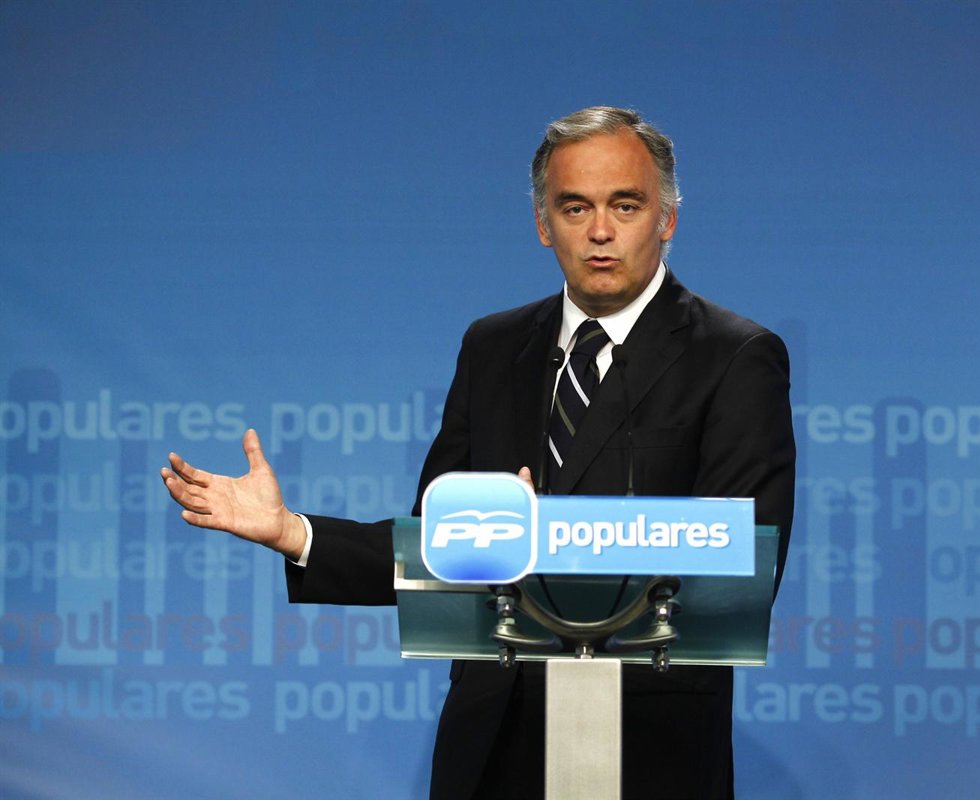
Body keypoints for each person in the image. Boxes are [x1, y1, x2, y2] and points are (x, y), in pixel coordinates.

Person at [162, 106, 795, 799]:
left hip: (649, 744)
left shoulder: (733, 357)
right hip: (494, 745)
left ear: (667, 218)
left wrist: (538, 537)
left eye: (626, 205)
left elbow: (742, 563)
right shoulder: (494, 348)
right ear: (543, 224)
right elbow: (435, 548)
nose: (601, 231)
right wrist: (294, 533)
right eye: (575, 207)